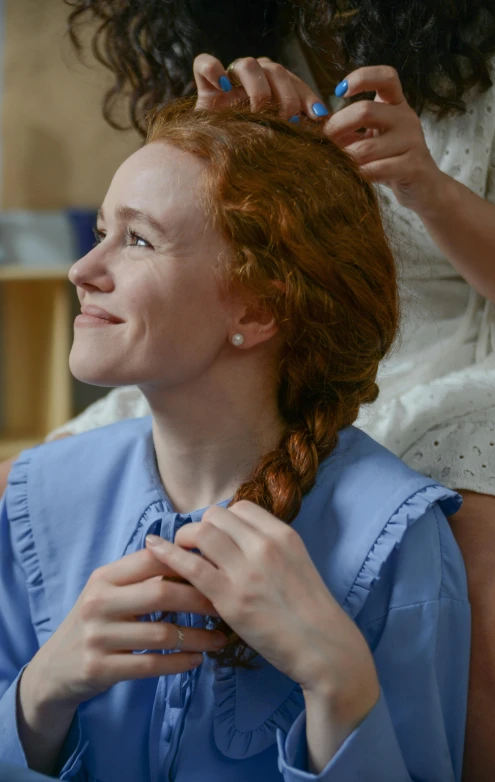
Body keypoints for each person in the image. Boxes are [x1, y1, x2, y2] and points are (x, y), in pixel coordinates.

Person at [0, 101, 469, 780]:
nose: (82, 269)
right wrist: (37, 698)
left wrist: (339, 685)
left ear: (257, 308)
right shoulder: (34, 499)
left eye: (137, 241)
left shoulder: (400, 544)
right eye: (102, 231)